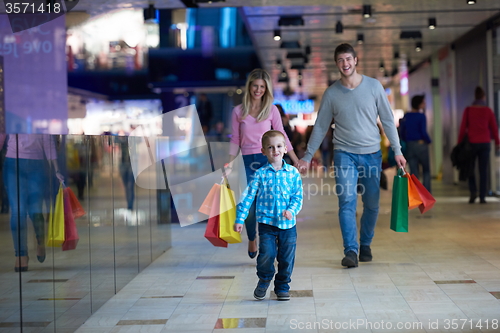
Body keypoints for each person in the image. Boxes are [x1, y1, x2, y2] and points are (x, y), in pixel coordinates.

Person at [296, 43, 406, 268]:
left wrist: (397, 150)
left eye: (348, 59)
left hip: (372, 154)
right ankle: (351, 251)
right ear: (336, 64)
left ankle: (365, 243)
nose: (345, 64)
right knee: (346, 202)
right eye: (340, 60)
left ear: (356, 60)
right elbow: (320, 126)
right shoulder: (331, 93)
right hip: (344, 153)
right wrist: (307, 156)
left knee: (372, 204)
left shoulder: (374, 87)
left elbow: (387, 120)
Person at [226, 68, 299, 259]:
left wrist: (296, 159)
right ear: (249, 86)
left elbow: (281, 135)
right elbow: (235, 139)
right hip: (246, 161)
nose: (258, 90)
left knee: (273, 199)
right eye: (255, 86)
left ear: (266, 89)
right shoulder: (238, 111)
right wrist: (229, 162)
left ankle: (271, 236)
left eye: (262, 87)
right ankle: (252, 237)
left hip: (269, 160)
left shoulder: (272, 110)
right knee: (248, 203)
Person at [234, 130, 303, 301]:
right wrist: (240, 218)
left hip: (288, 225)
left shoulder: (293, 174)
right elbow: (247, 197)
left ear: (285, 149)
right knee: (266, 255)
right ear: (263, 151)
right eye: (270, 147)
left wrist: (291, 210)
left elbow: (298, 196)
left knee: (286, 258)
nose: (275, 150)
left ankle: (282, 286)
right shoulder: (260, 174)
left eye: (279, 146)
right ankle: (264, 279)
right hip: (266, 225)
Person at [0, 134, 64, 272]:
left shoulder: (40, 113)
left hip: (37, 165)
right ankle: (20, 254)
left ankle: (40, 239)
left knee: (35, 211)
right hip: (13, 164)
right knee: (18, 211)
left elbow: (48, 140)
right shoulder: (10, 112)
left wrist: (56, 169)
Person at [457, 86, 500, 204]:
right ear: (483, 97)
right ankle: (482, 196)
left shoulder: (469, 110)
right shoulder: (488, 111)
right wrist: (497, 142)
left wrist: (459, 143)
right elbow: (494, 128)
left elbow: (462, 128)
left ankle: (473, 192)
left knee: (471, 169)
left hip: (471, 143)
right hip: (485, 143)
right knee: (483, 170)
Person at [399, 95, 432, 192]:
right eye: (423, 102)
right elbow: (423, 132)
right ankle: (426, 193)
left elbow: (402, 131)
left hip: (410, 146)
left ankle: (415, 193)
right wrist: (429, 141)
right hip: (421, 145)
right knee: (426, 170)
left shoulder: (407, 116)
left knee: (414, 171)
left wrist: (406, 140)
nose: (425, 104)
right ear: (419, 104)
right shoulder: (421, 116)